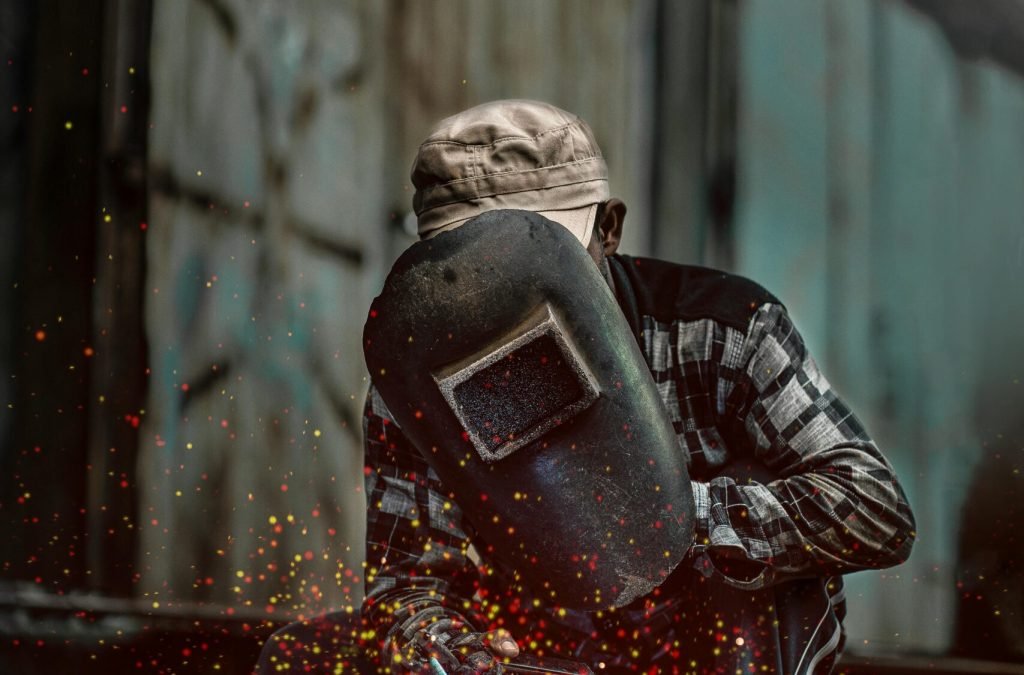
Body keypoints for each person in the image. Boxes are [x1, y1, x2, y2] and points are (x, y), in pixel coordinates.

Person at [361, 99, 916, 674]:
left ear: (609, 230)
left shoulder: (722, 332)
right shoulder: (415, 390)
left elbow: (878, 509)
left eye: (533, 266)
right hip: (548, 657)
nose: (507, 300)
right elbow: (405, 591)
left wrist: (673, 516)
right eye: (474, 272)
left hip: (712, 655)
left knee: (754, 483)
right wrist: (456, 656)